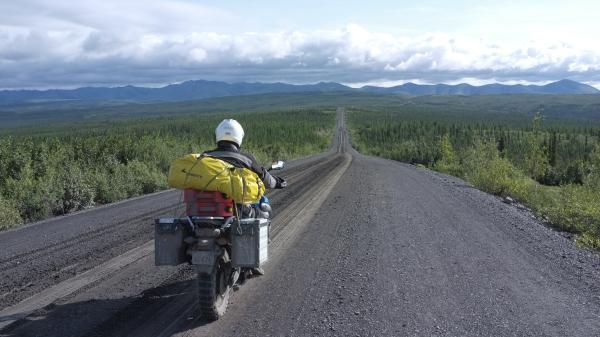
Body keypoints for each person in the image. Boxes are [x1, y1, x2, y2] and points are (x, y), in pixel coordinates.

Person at [203, 119, 285, 276]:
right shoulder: (246, 158)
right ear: (238, 137)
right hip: (237, 210)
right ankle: (253, 262)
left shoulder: (205, 157)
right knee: (263, 210)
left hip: (204, 210)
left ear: (218, 136)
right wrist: (279, 183)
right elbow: (266, 178)